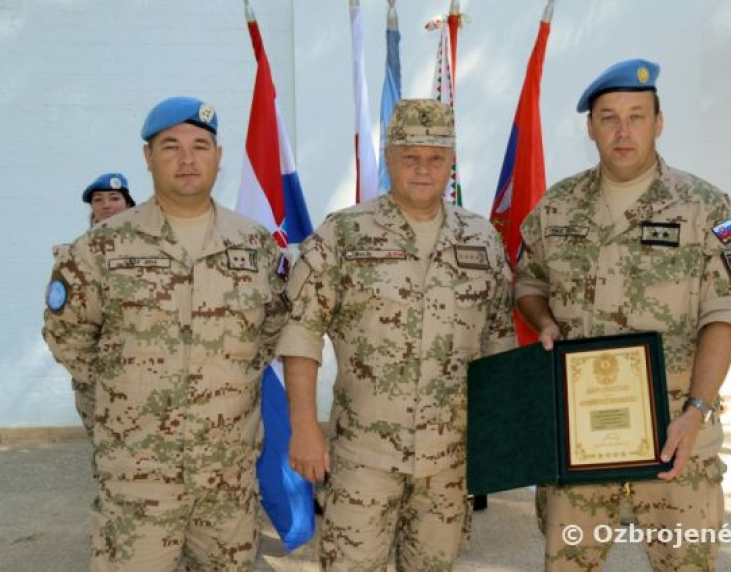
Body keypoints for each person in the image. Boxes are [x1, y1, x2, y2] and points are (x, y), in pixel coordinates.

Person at [515, 59, 731, 571]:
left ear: (658, 122)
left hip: (675, 433)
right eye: (609, 118)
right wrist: (544, 322)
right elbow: (528, 283)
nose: (622, 131)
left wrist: (696, 411)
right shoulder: (557, 207)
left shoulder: (704, 207)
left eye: (636, 116)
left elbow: (726, 313)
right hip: (578, 435)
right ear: (590, 128)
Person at [42, 96, 287, 571]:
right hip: (138, 476)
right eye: (171, 146)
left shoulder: (255, 244)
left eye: (200, 146)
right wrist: (126, 393)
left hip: (227, 476)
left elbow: (272, 328)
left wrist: (225, 383)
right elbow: (67, 334)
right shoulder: (100, 247)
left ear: (219, 156)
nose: (187, 158)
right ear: (148, 157)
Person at [277, 98, 515, 571]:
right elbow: (301, 333)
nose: (423, 169)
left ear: (451, 161)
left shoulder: (482, 239)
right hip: (363, 456)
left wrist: (498, 438)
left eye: (435, 157)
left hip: (448, 462)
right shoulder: (344, 234)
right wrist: (303, 428)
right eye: (410, 157)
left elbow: (498, 340)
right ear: (388, 159)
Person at [56, 172, 137, 443]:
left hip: (148, 376)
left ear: (129, 204)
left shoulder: (154, 251)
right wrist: (94, 377)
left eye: (114, 198)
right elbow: (63, 325)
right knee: (107, 452)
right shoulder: (77, 256)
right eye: (98, 200)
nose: (107, 205)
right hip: (99, 378)